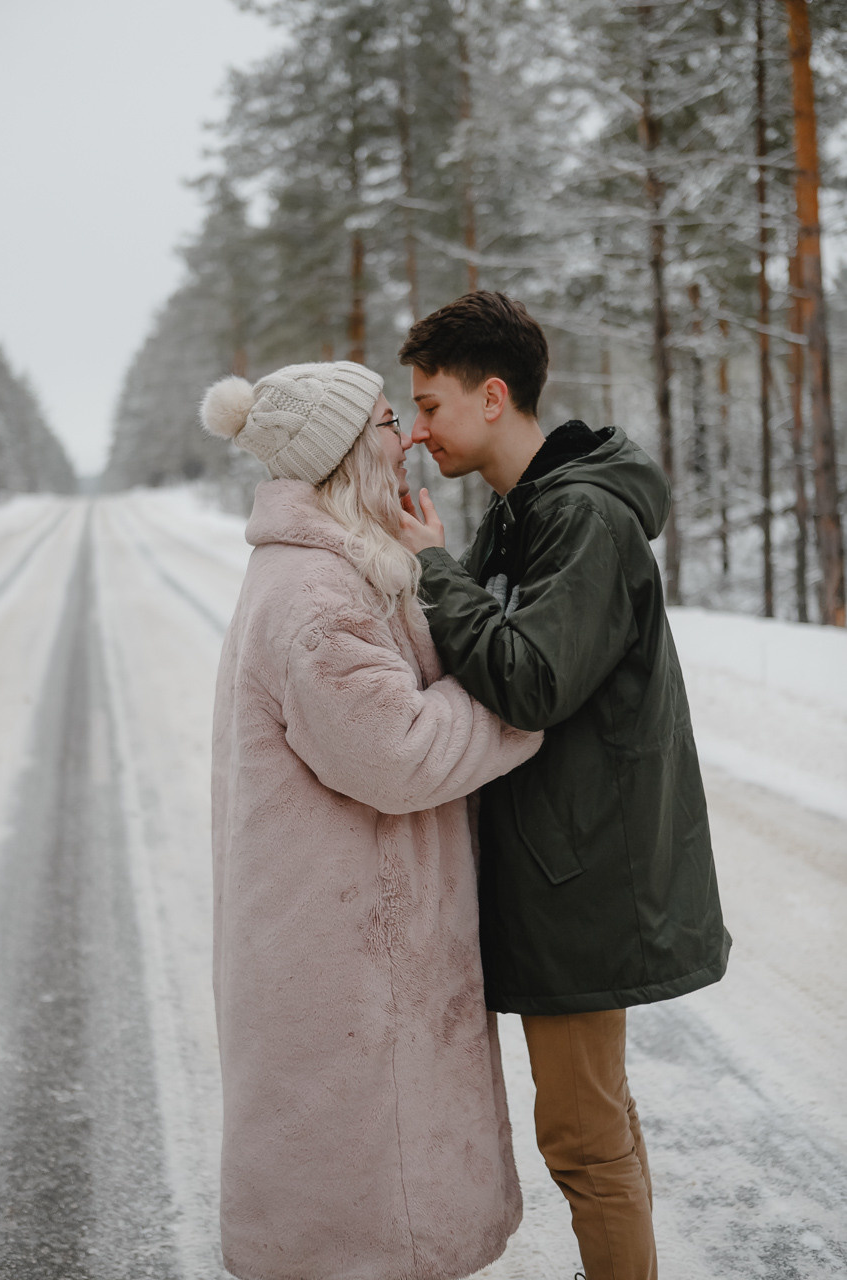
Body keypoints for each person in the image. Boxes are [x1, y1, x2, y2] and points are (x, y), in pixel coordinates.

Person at [397, 292, 732, 1280]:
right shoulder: (524, 513)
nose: (416, 429)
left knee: (583, 1139)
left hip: (580, 874)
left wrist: (433, 568)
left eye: (430, 405)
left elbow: (530, 680)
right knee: (599, 1125)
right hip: (562, 867)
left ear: (492, 396)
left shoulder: (579, 517)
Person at [200, 360, 542, 1280]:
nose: (411, 437)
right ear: (349, 450)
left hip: (354, 948)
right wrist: (522, 703)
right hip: (349, 961)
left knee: (370, 1221)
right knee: (367, 1231)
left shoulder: (337, 568)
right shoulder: (315, 595)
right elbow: (399, 753)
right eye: (391, 422)